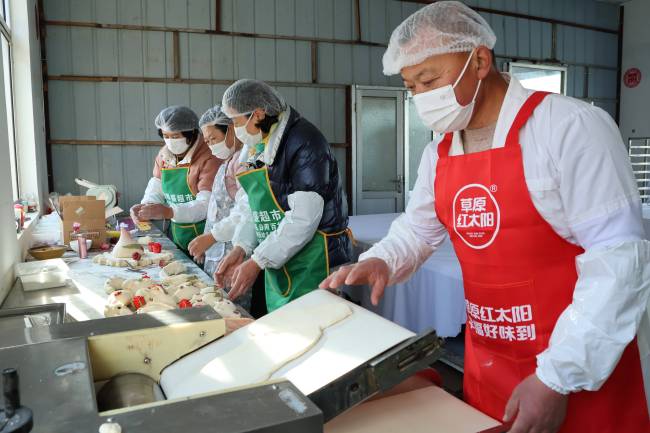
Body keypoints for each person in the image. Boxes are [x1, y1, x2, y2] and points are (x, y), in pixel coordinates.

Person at [320, 2, 650, 433]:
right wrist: (380, 260)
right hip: (489, 360)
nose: (420, 96)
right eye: (411, 85)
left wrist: (557, 377)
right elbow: (418, 230)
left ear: (478, 60)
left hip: (579, 367)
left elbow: (619, 259)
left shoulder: (568, 127)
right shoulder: (438, 153)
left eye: (429, 79)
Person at [215, 79, 353, 313]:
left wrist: (259, 260)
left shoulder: (305, 142)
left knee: (317, 329)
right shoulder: (257, 144)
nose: (236, 131)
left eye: (236, 121)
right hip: (279, 254)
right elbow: (255, 207)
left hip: (315, 258)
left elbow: (303, 219)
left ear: (257, 114)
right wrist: (242, 247)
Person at [187, 105, 255, 311]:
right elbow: (215, 212)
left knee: (232, 311)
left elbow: (246, 210)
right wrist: (207, 241)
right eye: (206, 142)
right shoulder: (226, 163)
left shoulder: (244, 163)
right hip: (217, 251)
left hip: (234, 252)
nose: (210, 146)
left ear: (232, 130)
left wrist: (212, 237)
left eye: (213, 139)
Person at [130, 106, 221, 252]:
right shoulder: (164, 155)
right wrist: (146, 207)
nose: (170, 141)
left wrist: (168, 212)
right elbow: (157, 185)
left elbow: (206, 206)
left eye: (175, 136)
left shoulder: (209, 156)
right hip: (178, 232)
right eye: (166, 136)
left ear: (190, 133)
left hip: (206, 236)